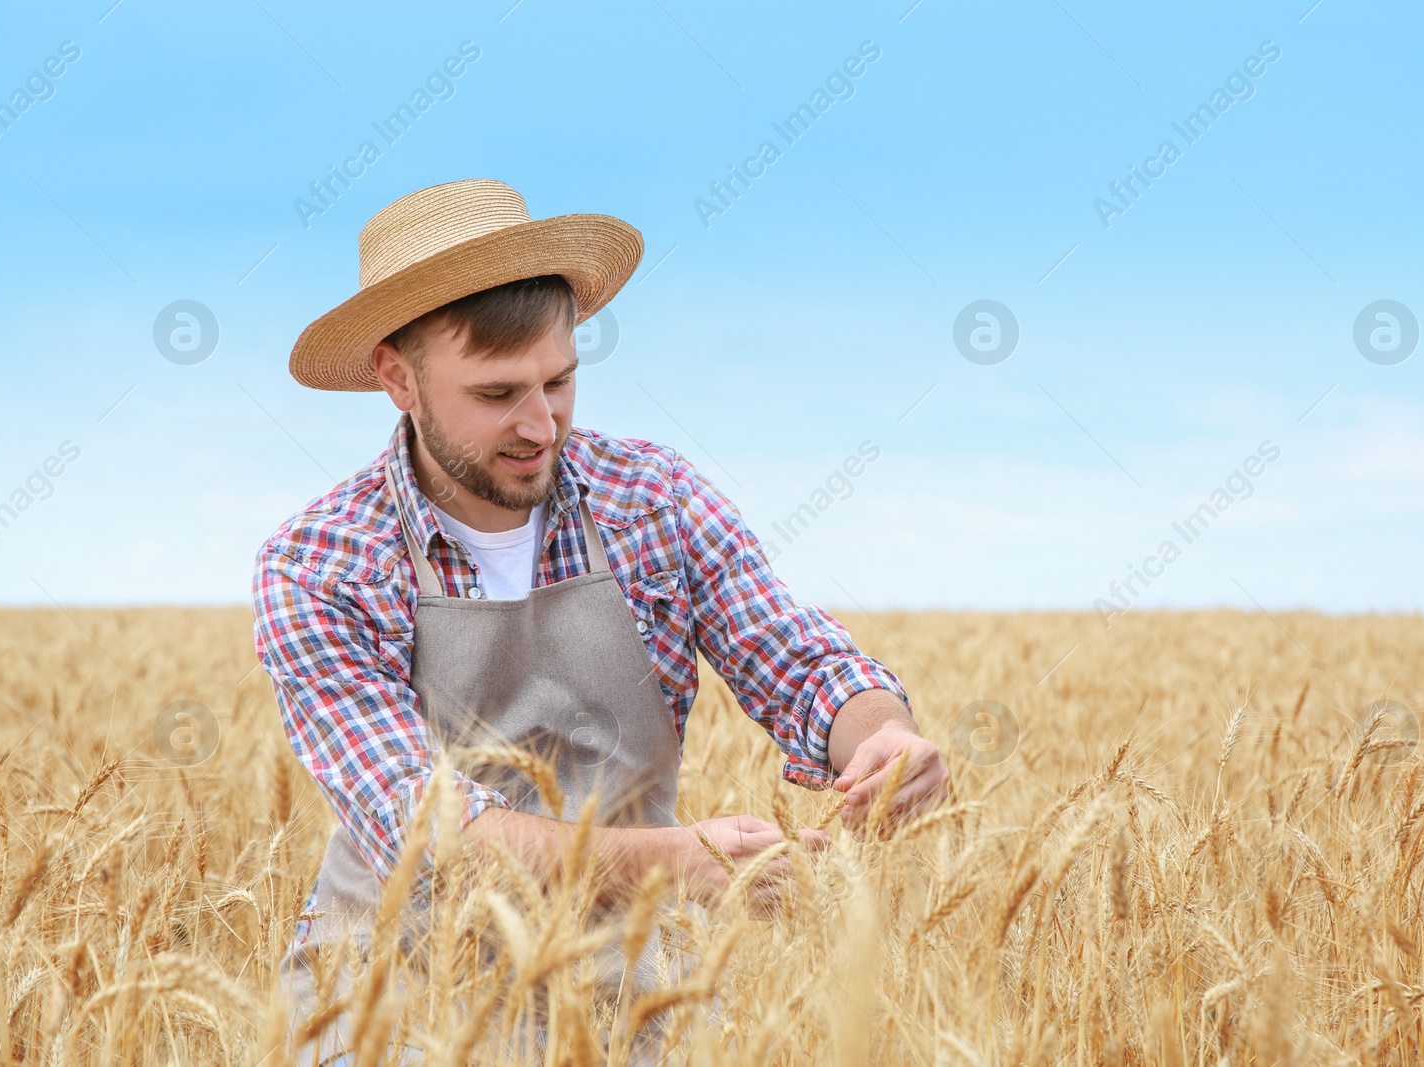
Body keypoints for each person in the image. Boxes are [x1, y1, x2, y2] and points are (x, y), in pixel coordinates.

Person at [252, 178, 949, 1060]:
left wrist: (880, 737)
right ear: (397, 376)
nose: (542, 424)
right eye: (498, 391)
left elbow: (801, 662)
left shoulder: (653, 499)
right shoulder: (318, 564)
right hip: (391, 998)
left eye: (560, 380)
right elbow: (434, 834)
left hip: (616, 995)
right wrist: (679, 862)